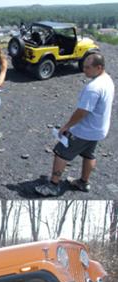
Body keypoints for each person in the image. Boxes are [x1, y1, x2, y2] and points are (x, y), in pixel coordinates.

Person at [35, 53, 114, 197]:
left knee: (60, 152)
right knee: (88, 154)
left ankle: (53, 185)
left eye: (88, 68)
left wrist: (66, 127)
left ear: (99, 67)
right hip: (99, 129)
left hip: (85, 130)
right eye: (84, 66)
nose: (84, 70)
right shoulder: (107, 79)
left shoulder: (94, 88)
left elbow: (82, 112)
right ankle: (83, 183)